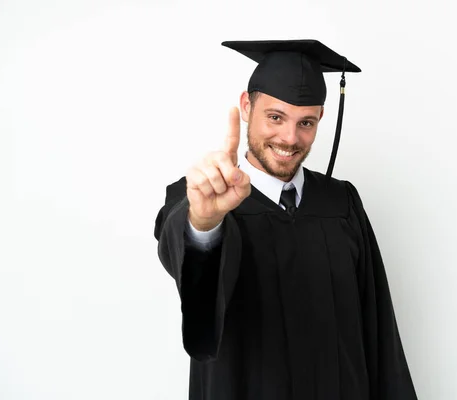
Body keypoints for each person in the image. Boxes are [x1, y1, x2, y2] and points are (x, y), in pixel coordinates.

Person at [154, 39, 418, 400]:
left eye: (305, 122)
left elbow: (379, 334)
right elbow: (195, 300)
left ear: (320, 118)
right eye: (275, 117)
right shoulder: (200, 197)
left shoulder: (341, 203)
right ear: (247, 106)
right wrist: (204, 224)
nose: (289, 138)